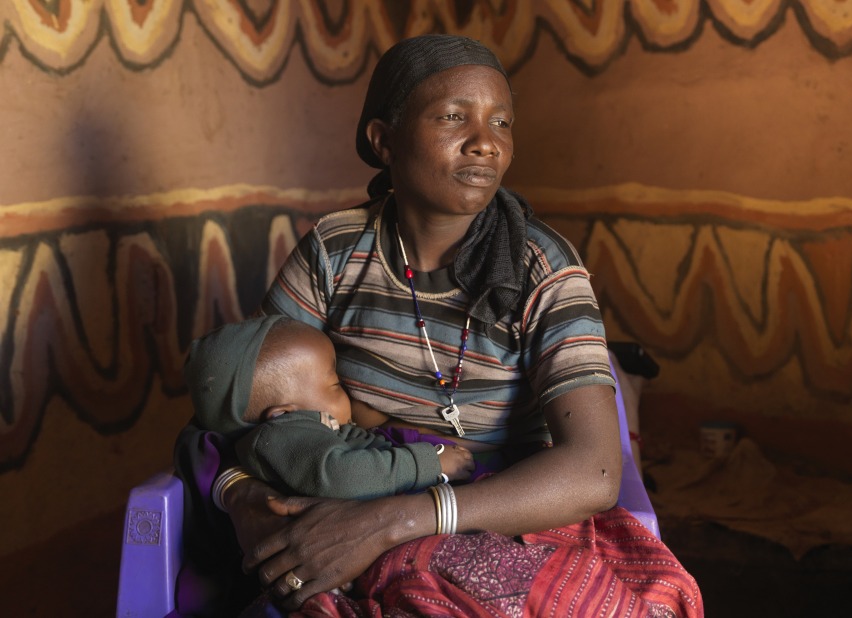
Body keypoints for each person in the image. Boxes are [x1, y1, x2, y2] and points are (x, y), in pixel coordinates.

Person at [174, 33, 702, 617]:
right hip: (344, 485)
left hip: (497, 508)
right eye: (454, 116)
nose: (485, 142)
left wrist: (393, 521)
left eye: (501, 122)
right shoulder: (335, 250)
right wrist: (245, 498)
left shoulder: (544, 270)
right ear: (384, 141)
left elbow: (594, 471)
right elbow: (245, 396)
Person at [183, 315, 476, 502]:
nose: (347, 390)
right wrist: (427, 464)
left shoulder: (303, 430)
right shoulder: (280, 437)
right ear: (283, 414)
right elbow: (343, 475)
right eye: (335, 384)